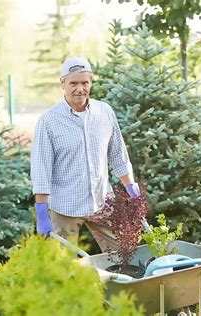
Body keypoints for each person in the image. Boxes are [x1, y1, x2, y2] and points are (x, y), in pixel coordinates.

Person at [30, 57, 140, 251]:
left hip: (102, 201)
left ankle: (119, 282)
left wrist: (130, 186)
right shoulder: (49, 121)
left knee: (125, 251)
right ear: (62, 84)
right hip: (66, 206)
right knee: (63, 267)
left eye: (84, 83)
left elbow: (118, 154)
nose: (79, 89)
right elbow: (41, 169)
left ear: (91, 83)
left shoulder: (104, 112)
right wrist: (41, 212)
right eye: (73, 83)